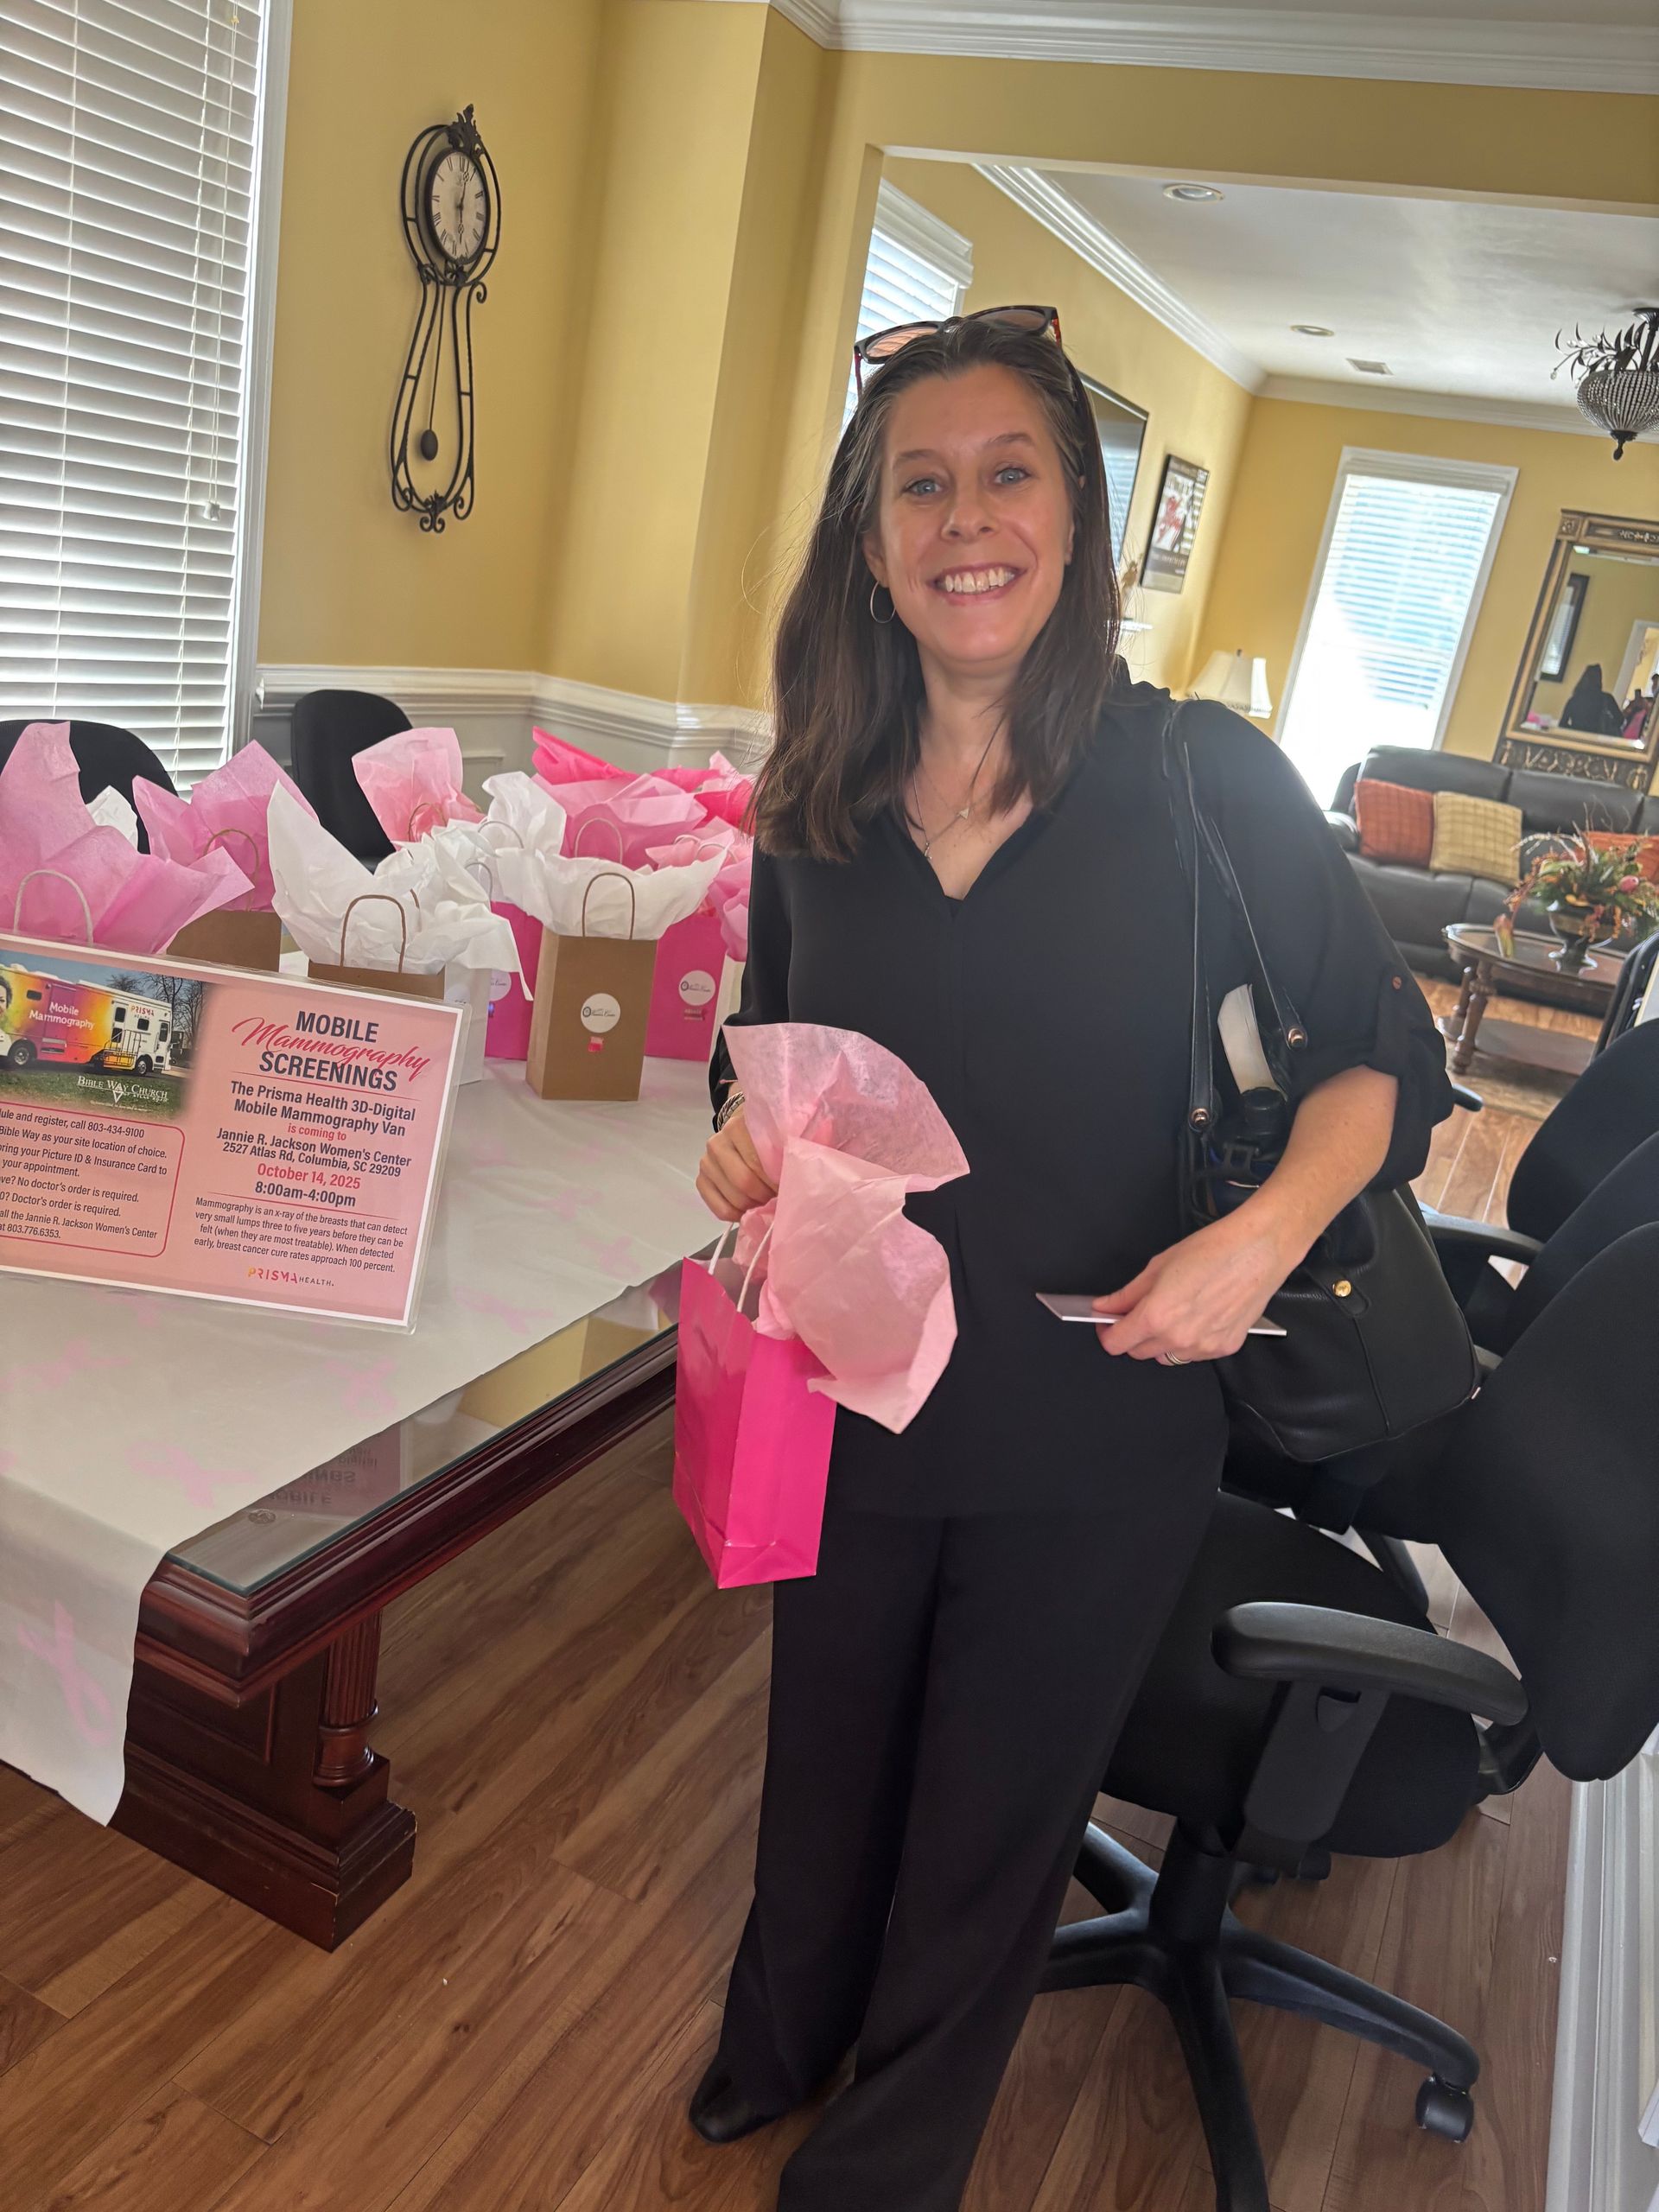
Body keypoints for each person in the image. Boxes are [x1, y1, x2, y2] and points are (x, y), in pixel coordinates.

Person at [690, 305, 1452, 2212]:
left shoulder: (1201, 783)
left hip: (1102, 1412)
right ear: (870, 541)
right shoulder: (815, 801)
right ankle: (782, 2034)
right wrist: (739, 1141)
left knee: (994, 1807)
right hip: (858, 1391)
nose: (966, 519)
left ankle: (890, 2156)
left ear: (1076, 521)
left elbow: (1388, 1057)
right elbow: (763, 1053)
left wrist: (1259, 1239)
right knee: (827, 1749)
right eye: (919, 484)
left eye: (1007, 472)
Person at [1561, 662, 1625, 735]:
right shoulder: (1607, 698)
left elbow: (1562, 724)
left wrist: (1576, 729)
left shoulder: (1574, 700)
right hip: (1598, 740)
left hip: (1577, 739)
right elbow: (1620, 720)